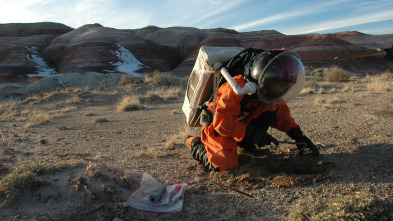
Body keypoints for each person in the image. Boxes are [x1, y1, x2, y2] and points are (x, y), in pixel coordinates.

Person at [186, 50, 319, 172]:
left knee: (270, 110)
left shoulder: (271, 93)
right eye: (280, 85)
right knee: (223, 165)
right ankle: (195, 143)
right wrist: (253, 134)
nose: (281, 90)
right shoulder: (236, 86)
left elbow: (282, 116)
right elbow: (222, 123)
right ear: (268, 79)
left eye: (284, 87)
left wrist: (298, 135)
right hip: (217, 126)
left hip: (239, 123)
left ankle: (243, 144)